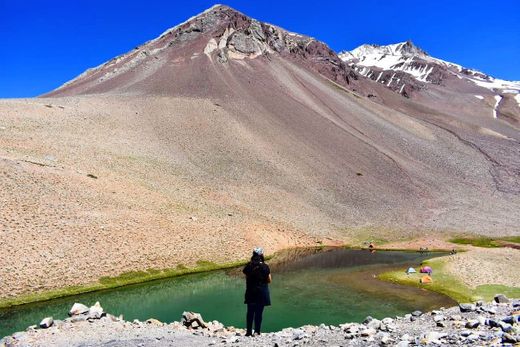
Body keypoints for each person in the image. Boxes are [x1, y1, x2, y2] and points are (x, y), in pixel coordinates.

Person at [243, 247, 271, 336]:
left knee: (250, 312)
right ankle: (257, 331)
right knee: (258, 313)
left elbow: (247, 277)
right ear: (261, 255)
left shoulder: (248, 266)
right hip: (261, 292)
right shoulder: (265, 266)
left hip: (251, 292)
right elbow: (269, 280)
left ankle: (248, 331)